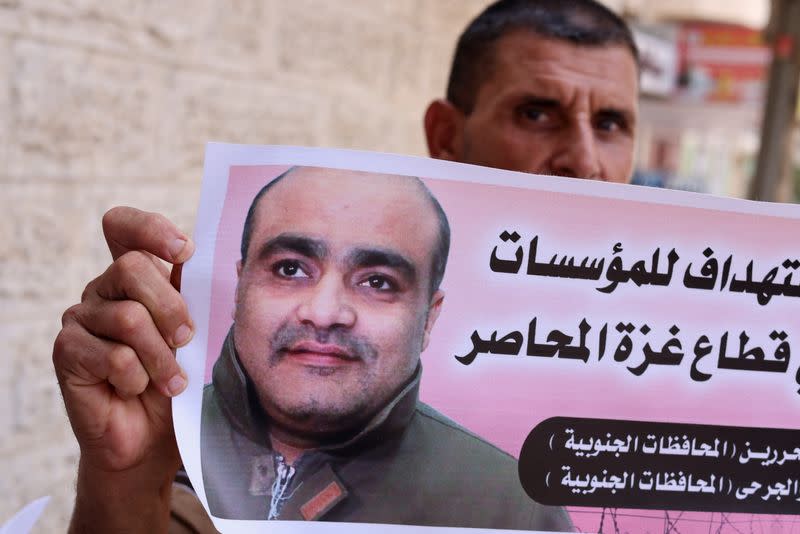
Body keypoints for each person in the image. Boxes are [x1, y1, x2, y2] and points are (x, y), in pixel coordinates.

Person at [52, 0, 639, 531]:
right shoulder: (200, 408)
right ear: (447, 133)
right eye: (537, 113)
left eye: (611, 123)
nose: (585, 160)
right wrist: (124, 477)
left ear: (430, 316)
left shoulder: (667, 374)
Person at [198, 165, 569, 529]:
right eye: (290, 269)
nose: (325, 313)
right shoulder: (156, 438)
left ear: (428, 319)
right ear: (239, 287)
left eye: (377, 282)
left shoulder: (510, 508)